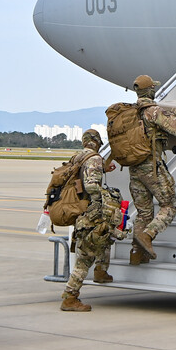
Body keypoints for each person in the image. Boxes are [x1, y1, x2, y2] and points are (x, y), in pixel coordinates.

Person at [127, 75, 176, 264]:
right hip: (151, 166)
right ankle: (148, 235)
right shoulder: (153, 111)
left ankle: (136, 254)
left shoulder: (129, 113)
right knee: (170, 205)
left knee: (143, 213)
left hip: (134, 169)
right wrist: (172, 116)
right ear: (150, 91)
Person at [60, 128, 117, 312]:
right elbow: (91, 185)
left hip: (80, 211)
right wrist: (106, 196)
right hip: (90, 213)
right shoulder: (94, 158)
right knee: (84, 258)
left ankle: (101, 270)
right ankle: (70, 296)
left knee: (104, 238)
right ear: (97, 142)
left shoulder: (77, 157)